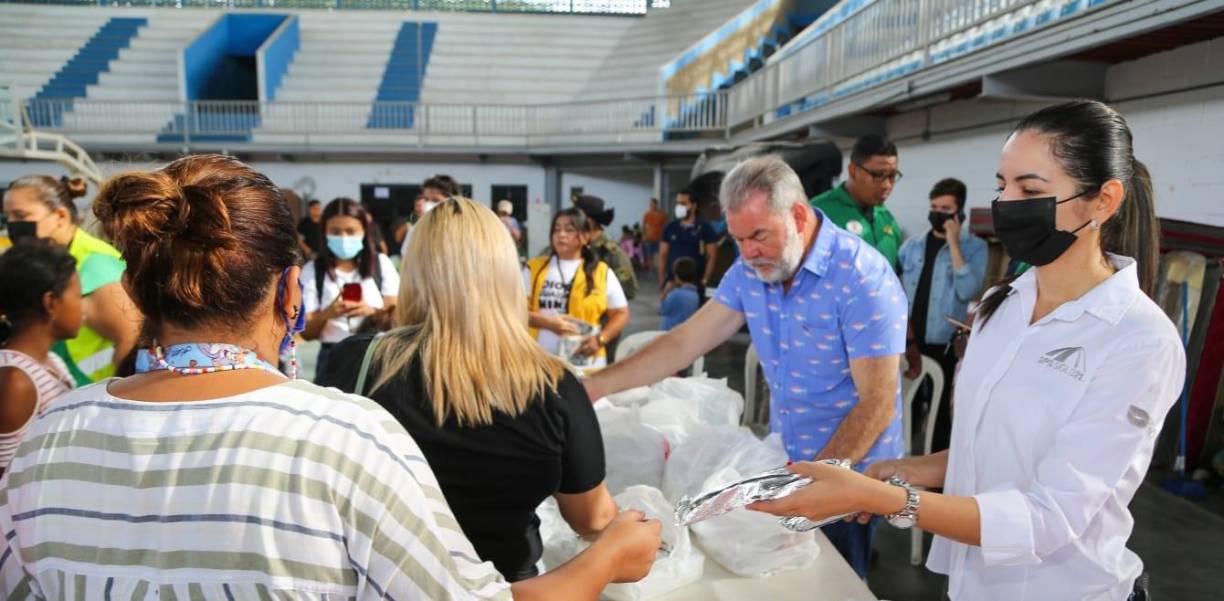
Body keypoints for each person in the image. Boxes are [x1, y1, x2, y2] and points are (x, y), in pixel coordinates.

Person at [0, 154, 660, 600]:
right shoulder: (343, 438)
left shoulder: (49, 435)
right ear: (291, 290)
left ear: (140, 289)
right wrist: (604, 559)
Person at [749, 101, 1178, 601]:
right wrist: (915, 469)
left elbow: (1049, 517)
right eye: (1002, 186)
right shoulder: (1003, 306)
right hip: (975, 587)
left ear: (1103, 201)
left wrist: (886, 499)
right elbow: (996, 447)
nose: (1008, 203)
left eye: (1031, 190)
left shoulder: (1138, 339)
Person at [585, 155, 908, 577]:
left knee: (836, 579)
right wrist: (594, 386)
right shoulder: (751, 270)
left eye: (758, 235)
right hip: (790, 458)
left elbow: (877, 404)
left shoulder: (860, 276)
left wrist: (818, 488)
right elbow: (684, 342)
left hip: (852, 472)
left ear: (797, 214)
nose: (749, 252)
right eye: (738, 239)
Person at [318, 197, 619, 582]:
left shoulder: (356, 364)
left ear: (415, 271)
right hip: (507, 586)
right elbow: (593, 519)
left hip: (383, 584)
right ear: (506, 274)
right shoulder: (552, 385)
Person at [3, 175, 140, 384]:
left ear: (60, 216)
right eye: (8, 217)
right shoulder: (44, 260)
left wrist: (115, 399)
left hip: (94, 397)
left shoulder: (95, 264)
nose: (14, 225)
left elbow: (131, 339)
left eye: (21, 216)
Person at [897, 177, 988, 453]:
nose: (937, 213)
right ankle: (902, 459)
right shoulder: (912, 246)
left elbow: (969, 289)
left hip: (944, 343)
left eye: (945, 208)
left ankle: (934, 473)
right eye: (934, 206)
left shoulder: (975, 248)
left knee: (938, 414)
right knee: (906, 403)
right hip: (909, 340)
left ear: (959, 212)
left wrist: (953, 242)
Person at [0, 242, 80, 471]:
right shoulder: (15, 380)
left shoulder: (52, 361)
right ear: (51, 302)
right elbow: (6, 476)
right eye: (77, 295)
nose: (82, 308)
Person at [301, 198, 399, 380]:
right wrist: (328, 313)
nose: (344, 238)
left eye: (350, 231)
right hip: (332, 357)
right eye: (336, 232)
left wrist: (371, 311)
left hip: (375, 354)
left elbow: (396, 317)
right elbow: (306, 333)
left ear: (364, 231)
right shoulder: (312, 271)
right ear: (324, 232)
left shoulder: (381, 265)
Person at [526, 207, 630, 370]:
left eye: (569, 230)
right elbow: (511, 312)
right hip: (538, 364)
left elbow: (621, 313)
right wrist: (544, 322)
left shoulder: (601, 272)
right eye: (556, 229)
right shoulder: (533, 269)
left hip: (586, 366)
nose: (561, 234)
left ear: (585, 236)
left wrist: (600, 339)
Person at [810, 135, 903, 269]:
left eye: (892, 176)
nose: (886, 185)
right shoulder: (819, 213)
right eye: (877, 175)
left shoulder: (886, 218)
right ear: (853, 170)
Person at [574, 194, 639, 300]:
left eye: (575, 218)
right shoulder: (575, 246)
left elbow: (629, 289)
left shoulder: (611, 253)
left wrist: (596, 296)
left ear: (589, 221)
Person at [658, 189, 719, 292]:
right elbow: (663, 255)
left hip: (695, 284)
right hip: (672, 283)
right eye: (677, 203)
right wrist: (661, 280)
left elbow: (712, 256)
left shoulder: (705, 228)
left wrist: (704, 280)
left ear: (694, 206)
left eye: (683, 203)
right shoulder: (670, 227)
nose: (679, 207)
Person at [659, 256, 700, 331]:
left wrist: (665, 291)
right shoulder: (695, 294)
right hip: (685, 331)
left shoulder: (676, 294)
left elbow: (662, 309)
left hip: (670, 332)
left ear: (677, 276)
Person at [641, 197, 667, 273]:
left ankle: (661, 271)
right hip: (649, 238)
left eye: (652, 204)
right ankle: (651, 272)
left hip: (659, 238)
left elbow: (666, 226)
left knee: (661, 255)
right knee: (649, 256)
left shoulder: (662, 215)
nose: (651, 205)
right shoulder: (647, 214)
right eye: (650, 204)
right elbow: (643, 226)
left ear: (656, 204)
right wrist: (644, 236)